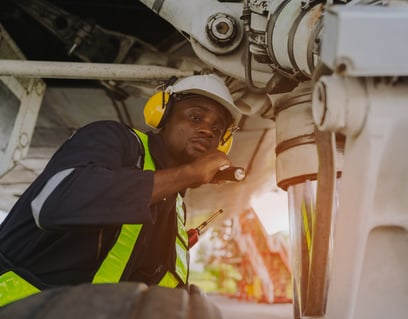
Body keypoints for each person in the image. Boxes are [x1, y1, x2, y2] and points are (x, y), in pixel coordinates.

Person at [0, 74, 242, 307]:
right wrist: (189, 173)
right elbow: (52, 203)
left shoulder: (175, 205)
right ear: (164, 115)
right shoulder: (113, 139)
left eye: (217, 129)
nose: (207, 131)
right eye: (196, 117)